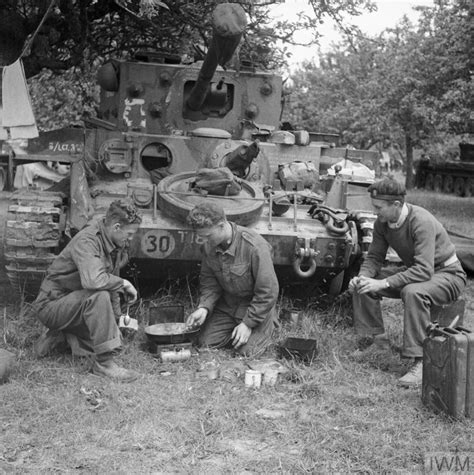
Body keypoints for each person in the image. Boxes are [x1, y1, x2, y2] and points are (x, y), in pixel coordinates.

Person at [349, 176, 466, 387]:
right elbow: (374, 258)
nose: (376, 212)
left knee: (413, 291)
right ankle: (379, 341)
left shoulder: (421, 221)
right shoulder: (382, 223)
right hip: (419, 272)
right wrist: (363, 277)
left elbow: (423, 270)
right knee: (365, 282)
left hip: (449, 275)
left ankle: (421, 361)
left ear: (396, 204)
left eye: (379, 207)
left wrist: (384, 284)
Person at [32, 200, 142, 382]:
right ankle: (104, 365)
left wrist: (116, 321)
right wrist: (124, 283)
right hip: (51, 305)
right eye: (129, 234)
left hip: (74, 303)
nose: (130, 239)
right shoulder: (88, 240)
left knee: (112, 336)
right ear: (116, 227)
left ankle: (64, 336)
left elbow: (111, 283)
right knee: (98, 296)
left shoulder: (111, 241)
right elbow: (94, 281)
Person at [185, 201, 279, 357]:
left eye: (207, 236)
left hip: (255, 307)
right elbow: (209, 282)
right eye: (201, 237)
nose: (203, 242)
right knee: (205, 342)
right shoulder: (209, 245)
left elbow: (268, 291)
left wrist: (248, 323)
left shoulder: (255, 247)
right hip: (229, 306)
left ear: (222, 225)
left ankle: (266, 327)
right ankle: (239, 330)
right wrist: (204, 307)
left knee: (247, 352)